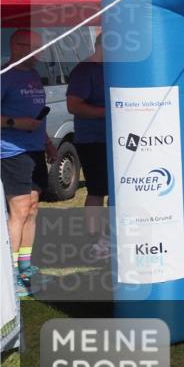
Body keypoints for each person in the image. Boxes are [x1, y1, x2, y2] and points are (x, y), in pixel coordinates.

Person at [1, 30, 57, 297]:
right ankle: (9, 275)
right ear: (18, 46)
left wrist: (46, 141)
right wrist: (15, 123)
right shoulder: (5, 75)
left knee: (33, 208)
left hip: (34, 149)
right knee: (20, 210)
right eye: (35, 48)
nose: (40, 54)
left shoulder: (33, 75)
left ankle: (25, 269)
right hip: (12, 151)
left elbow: (36, 113)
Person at [66, 34, 111, 259]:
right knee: (97, 190)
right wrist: (109, 113)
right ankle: (96, 240)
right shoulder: (85, 70)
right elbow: (73, 106)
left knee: (117, 190)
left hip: (117, 139)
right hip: (92, 139)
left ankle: (113, 236)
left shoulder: (114, 68)